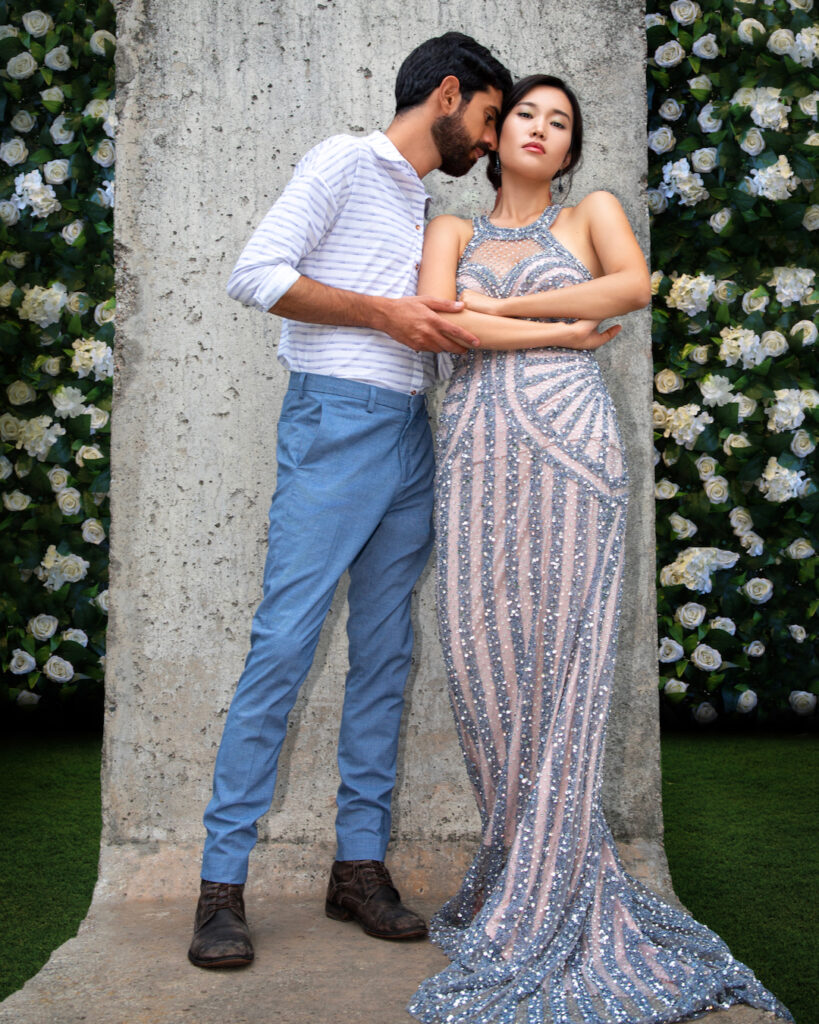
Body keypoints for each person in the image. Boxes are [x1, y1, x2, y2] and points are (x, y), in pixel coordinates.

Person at [407, 75, 794, 1023]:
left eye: (560, 122)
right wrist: (563, 329)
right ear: (494, 139)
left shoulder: (592, 214)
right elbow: (439, 323)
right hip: (475, 462)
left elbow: (632, 285)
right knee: (484, 670)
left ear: (570, 149)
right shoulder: (449, 231)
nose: (540, 130)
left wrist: (521, 323)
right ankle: (515, 873)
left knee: (566, 673)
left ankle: (557, 893)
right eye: (525, 117)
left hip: (573, 462)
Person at [186, 32, 516, 971]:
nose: (489, 141)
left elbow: (420, 316)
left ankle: (357, 868)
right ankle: (219, 885)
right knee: (284, 645)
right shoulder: (345, 159)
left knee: (384, 654)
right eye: (488, 119)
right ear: (446, 94)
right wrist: (385, 315)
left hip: (409, 433)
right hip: (335, 426)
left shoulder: (419, 201)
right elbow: (253, 274)